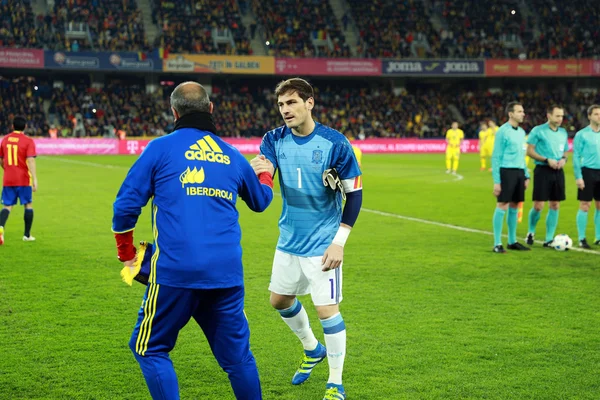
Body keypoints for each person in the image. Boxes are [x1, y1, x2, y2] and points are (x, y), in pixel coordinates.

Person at [112, 82, 273, 400]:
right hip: (226, 275)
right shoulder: (232, 155)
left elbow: (125, 206)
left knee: (149, 348)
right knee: (237, 359)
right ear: (210, 109)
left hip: (176, 272)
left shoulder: (161, 148)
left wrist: (126, 253)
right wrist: (265, 173)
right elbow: (261, 201)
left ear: (173, 112)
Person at [250, 78, 362, 400]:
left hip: (323, 240)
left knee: (327, 309)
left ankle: (335, 383)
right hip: (289, 238)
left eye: (292, 103)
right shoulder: (273, 139)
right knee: (278, 301)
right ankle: (313, 349)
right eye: (281, 105)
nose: (285, 110)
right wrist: (257, 173)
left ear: (309, 103)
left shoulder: (335, 143)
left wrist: (339, 241)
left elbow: (354, 195)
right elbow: (265, 178)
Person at [525, 105, 569, 247]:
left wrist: (563, 160)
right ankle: (531, 231)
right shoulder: (538, 131)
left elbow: (566, 152)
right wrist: (546, 159)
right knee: (538, 206)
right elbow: (529, 151)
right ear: (549, 115)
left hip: (558, 171)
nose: (560, 119)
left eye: (561, 116)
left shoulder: (563, 132)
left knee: (555, 205)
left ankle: (549, 239)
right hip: (542, 170)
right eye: (557, 116)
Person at [491, 102, 531, 253]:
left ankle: (512, 241)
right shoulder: (502, 131)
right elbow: (496, 157)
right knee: (502, 205)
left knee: (515, 205)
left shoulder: (521, 132)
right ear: (511, 114)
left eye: (523, 111)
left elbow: (522, 155)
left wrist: (526, 175)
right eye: (520, 111)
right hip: (506, 172)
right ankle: (497, 243)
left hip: (520, 172)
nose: (523, 114)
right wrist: (497, 181)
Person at [0, 115, 38, 245]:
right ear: (25, 127)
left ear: (12, 126)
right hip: (23, 179)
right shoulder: (28, 141)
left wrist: (8, 170)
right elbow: (31, 159)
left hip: (8, 178)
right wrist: (35, 179)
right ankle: (27, 235)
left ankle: (0, 228)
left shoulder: (5, 140)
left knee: (7, 206)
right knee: (28, 204)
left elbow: (1, 160)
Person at [573, 104, 600, 248]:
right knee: (585, 205)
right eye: (596, 114)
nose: (599, 116)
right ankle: (582, 238)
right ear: (589, 116)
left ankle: (598, 237)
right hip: (587, 172)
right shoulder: (581, 134)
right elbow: (576, 156)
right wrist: (578, 176)